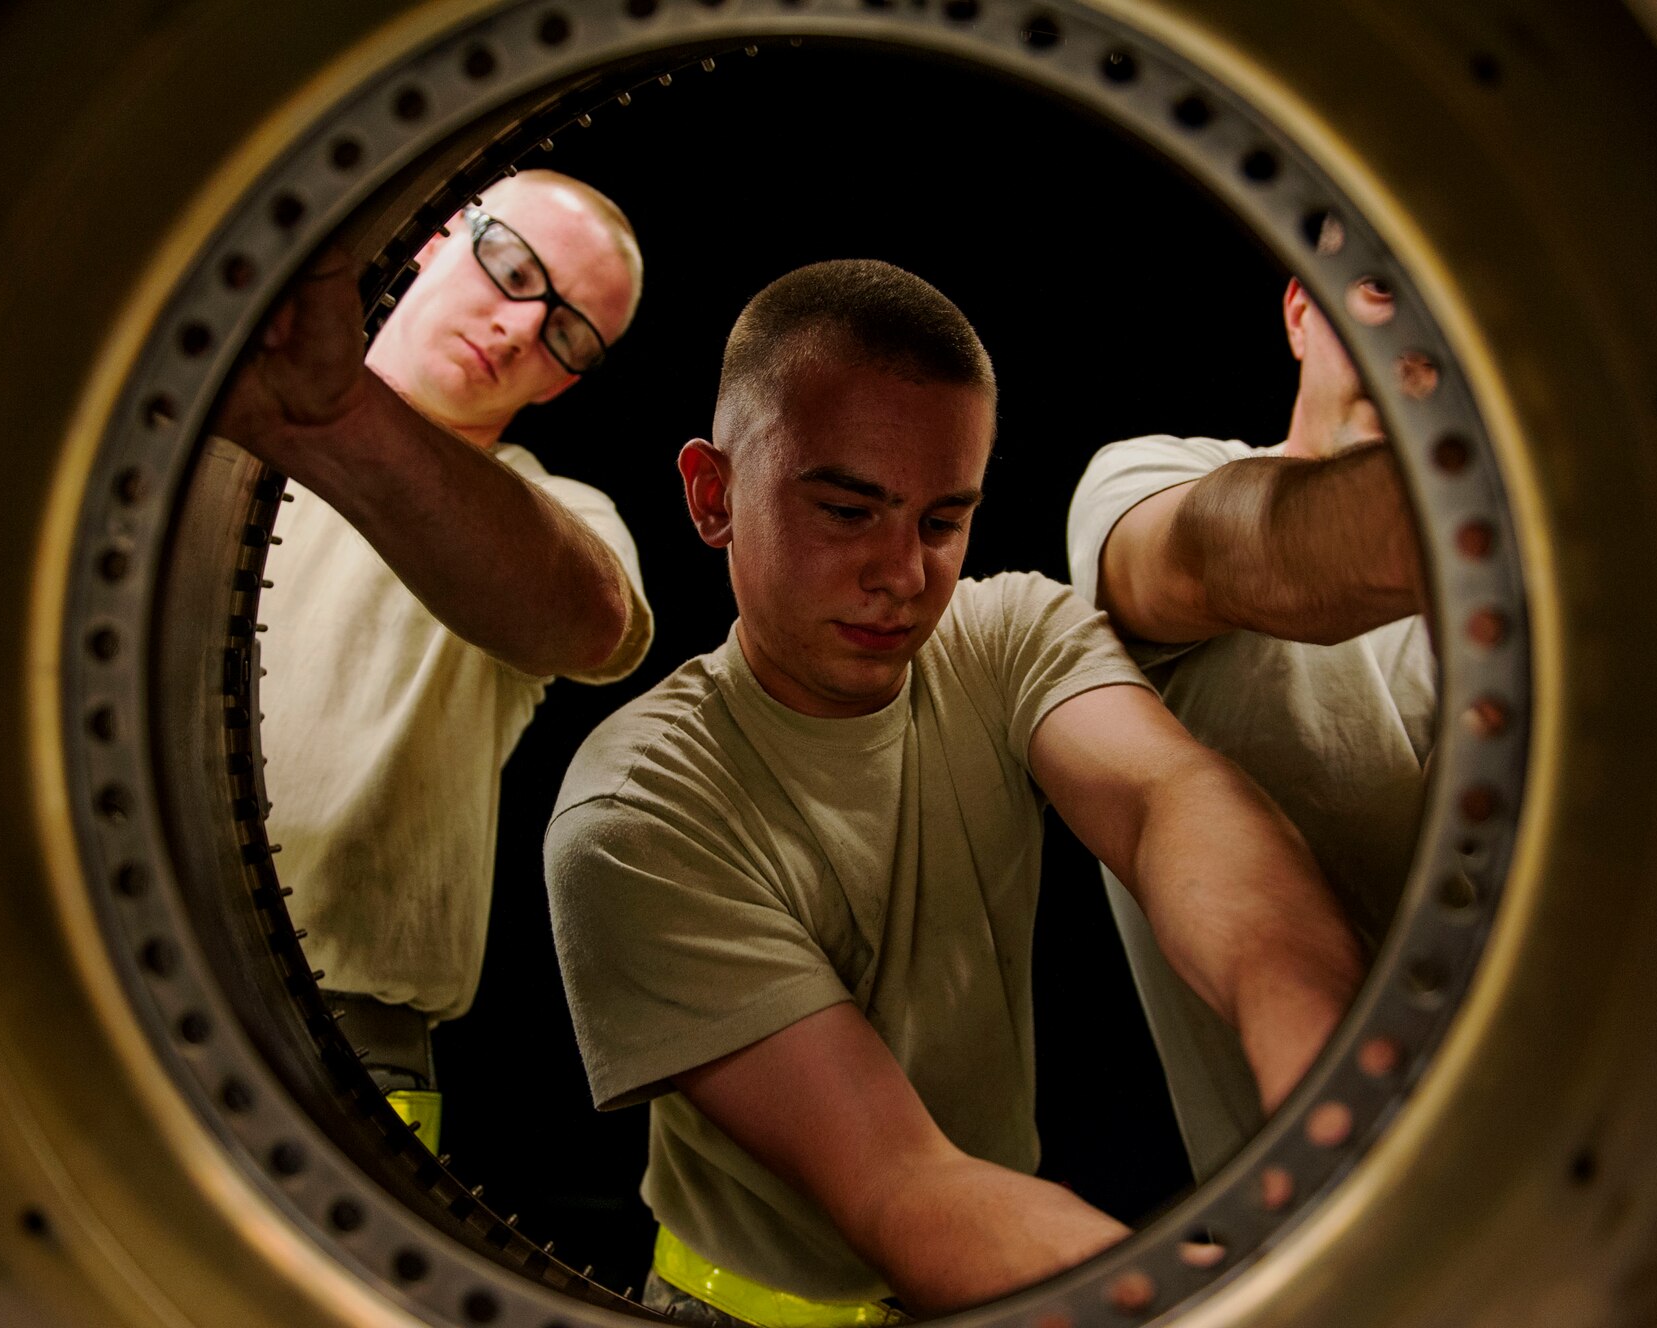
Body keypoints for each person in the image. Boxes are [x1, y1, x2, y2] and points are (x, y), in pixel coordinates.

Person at [544, 260, 1366, 1326]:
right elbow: (899, 1182)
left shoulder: (1005, 632)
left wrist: (1339, 1092)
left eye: (941, 520)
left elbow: (1175, 806)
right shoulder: (634, 812)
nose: (901, 571)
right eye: (847, 509)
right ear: (712, 494)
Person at [211, 170, 655, 1148]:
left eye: (564, 332)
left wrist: (339, 418)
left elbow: (588, 617)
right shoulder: (211, 425)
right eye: (511, 269)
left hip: (339, 1052)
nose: (515, 329)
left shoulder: (564, 518)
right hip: (89, 943)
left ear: (564, 381)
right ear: (442, 232)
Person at [1065, 275, 1436, 1180]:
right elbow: (1246, 554)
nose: (1415, 342)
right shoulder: (1144, 483)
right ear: (1301, 312)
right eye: (1384, 290)